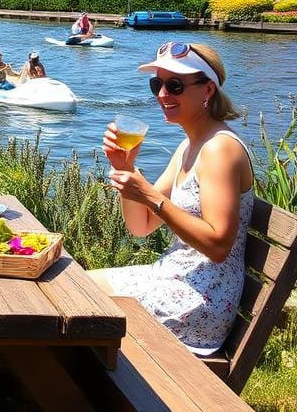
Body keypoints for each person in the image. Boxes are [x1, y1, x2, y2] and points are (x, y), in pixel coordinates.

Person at [88, 41, 254, 356]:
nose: (163, 94)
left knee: (83, 298)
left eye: (174, 85)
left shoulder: (220, 149)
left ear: (207, 91)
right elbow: (141, 226)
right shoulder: (188, 147)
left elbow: (219, 246)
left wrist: (150, 195)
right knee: (80, 286)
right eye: (157, 84)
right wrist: (125, 169)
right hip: (173, 279)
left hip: (202, 299)